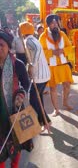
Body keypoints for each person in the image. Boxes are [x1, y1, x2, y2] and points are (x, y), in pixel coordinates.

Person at [0, 30, 31, 168]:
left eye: (1, 45)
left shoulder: (17, 64)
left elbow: (26, 83)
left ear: (8, 47)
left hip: (15, 109)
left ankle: (15, 166)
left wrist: (21, 94)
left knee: (16, 143)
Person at [39, 14, 74, 116]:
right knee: (53, 88)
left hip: (63, 64)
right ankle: (56, 109)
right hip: (52, 66)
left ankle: (65, 102)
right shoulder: (43, 36)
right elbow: (41, 52)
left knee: (67, 85)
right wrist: (53, 53)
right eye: (53, 23)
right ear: (48, 24)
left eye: (56, 22)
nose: (55, 25)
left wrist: (63, 50)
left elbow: (70, 47)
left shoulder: (62, 34)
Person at [19, 22, 51, 131]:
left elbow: (36, 51)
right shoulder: (33, 39)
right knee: (38, 98)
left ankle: (44, 121)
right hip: (43, 74)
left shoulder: (28, 40)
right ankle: (46, 122)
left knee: (32, 99)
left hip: (39, 75)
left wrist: (32, 65)